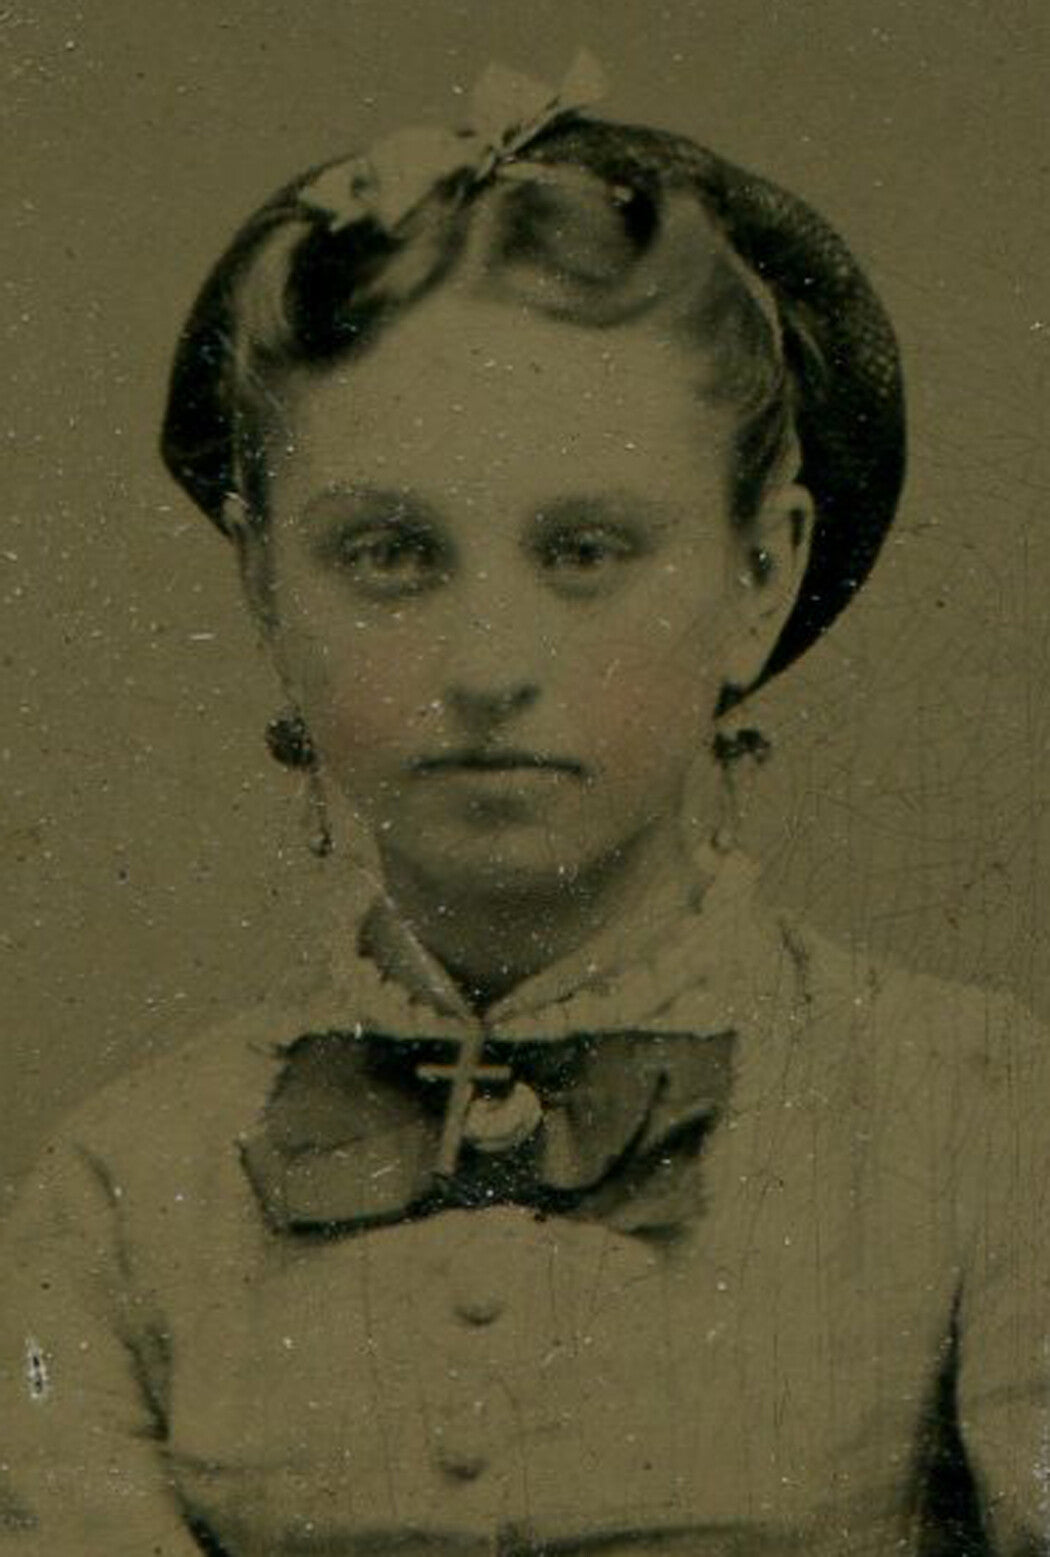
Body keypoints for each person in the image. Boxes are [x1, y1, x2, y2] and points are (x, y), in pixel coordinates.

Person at [1, 56, 1047, 1557]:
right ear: (263, 587)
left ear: (756, 580)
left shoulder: (987, 1130)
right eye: (388, 555)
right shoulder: (118, 1198)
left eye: (585, 550)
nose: (487, 665)